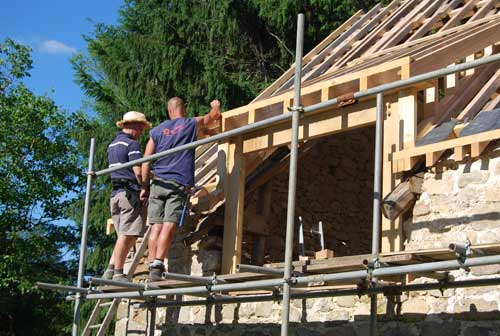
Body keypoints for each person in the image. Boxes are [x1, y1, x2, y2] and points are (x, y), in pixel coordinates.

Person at [140, 97, 221, 281]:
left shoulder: (157, 131)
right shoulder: (188, 124)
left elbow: (145, 160)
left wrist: (144, 186)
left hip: (158, 183)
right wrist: (215, 106)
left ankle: (152, 266)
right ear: (182, 109)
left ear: (169, 111)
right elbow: (213, 117)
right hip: (177, 182)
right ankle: (158, 264)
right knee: (169, 224)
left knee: (155, 226)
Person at [102, 111, 152, 282]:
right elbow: (138, 171)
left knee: (122, 235)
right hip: (129, 194)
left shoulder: (113, 145)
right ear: (134, 126)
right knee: (128, 234)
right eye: (141, 128)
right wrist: (145, 186)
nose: (141, 132)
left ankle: (109, 271)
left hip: (115, 194)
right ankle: (118, 273)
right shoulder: (132, 144)